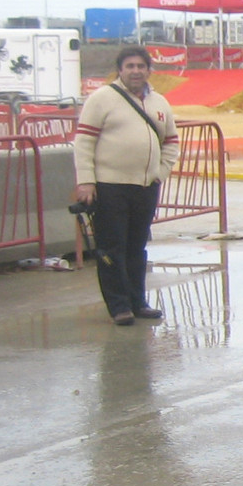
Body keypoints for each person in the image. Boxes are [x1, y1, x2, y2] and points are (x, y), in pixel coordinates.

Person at [73, 46, 180, 326]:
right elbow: (84, 142)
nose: (135, 71)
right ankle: (119, 306)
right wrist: (86, 180)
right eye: (129, 66)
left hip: (145, 186)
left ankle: (138, 301)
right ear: (120, 70)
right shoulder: (102, 99)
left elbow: (171, 141)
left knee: (136, 247)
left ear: (148, 70)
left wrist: (161, 172)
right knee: (111, 248)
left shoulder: (159, 102)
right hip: (110, 186)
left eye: (140, 66)